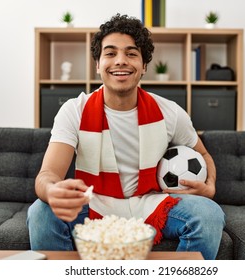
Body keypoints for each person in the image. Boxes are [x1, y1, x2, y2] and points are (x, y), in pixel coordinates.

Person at [27, 13, 225, 260]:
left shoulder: (170, 113)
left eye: (131, 53)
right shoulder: (74, 110)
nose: (120, 61)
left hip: (150, 202)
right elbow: (47, 175)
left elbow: (203, 153)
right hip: (93, 202)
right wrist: (52, 191)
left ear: (143, 66)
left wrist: (210, 186)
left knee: (209, 214)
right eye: (110, 53)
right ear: (97, 65)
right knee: (40, 211)